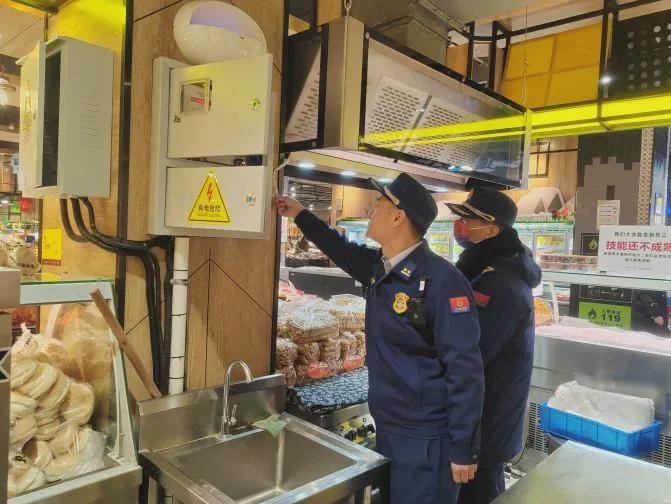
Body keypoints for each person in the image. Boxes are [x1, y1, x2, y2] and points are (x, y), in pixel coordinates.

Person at [276, 173, 484, 504]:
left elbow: (466, 369)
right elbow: (340, 248)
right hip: (389, 424)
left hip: (427, 436)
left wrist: (463, 448)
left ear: (399, 217)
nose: (371, 209)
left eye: (379, 203)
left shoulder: (443, 280)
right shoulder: (381, 267)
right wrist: (299, 213)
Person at [446, 187, 542, 504]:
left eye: (467, 219)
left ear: (491, 230)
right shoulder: (487, 267)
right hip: (486, 418)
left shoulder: (497, 281)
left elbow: (471, 351)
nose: (459, 225)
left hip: (486, 421)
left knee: (479, 492)